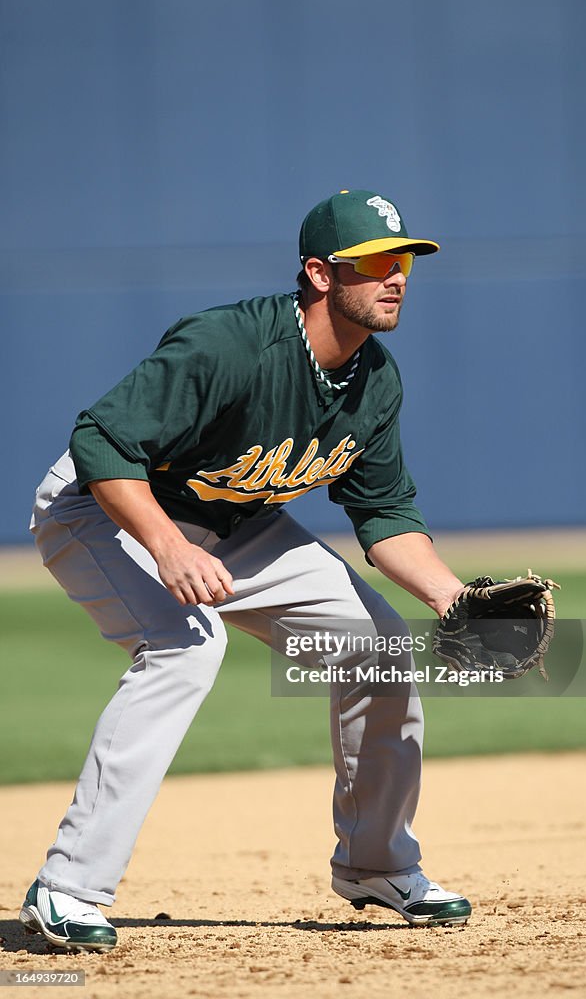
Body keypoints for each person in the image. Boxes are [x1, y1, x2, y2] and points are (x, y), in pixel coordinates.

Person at [19, 189, 472, 953]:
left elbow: (386, 517)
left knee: (379, 651)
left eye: (405, 262)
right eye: (377, 263)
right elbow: (102, 443)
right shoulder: (228, 346)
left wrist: (456, 600)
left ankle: (375, 864)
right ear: (320, 275)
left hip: (236, 524)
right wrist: (168, 548)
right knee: (184, 646)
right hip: (102, 508)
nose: (397, 277)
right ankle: (66, 887)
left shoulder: (373, 380)